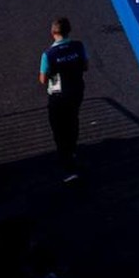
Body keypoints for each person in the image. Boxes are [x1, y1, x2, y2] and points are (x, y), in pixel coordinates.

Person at [38, 17, 88, 182]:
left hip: (58, 97)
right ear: (68, 30)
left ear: (53, 33)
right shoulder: (78, 46)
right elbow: (85, 66)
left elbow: (43, 80)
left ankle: (66, 160)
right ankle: (72, 150)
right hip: (76, 91)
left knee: (58, 127)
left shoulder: (48, 55)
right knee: (73, 120)